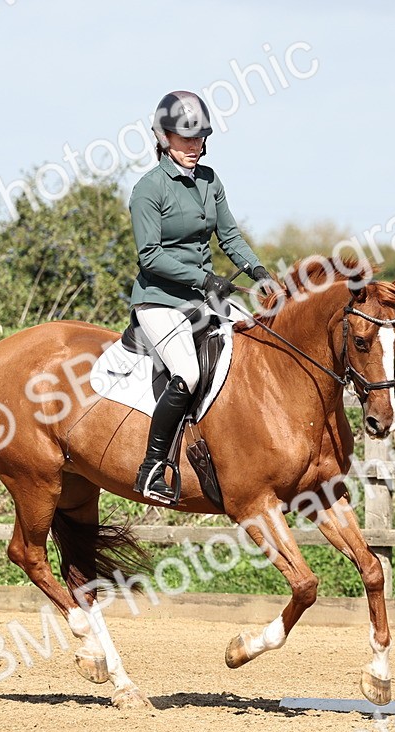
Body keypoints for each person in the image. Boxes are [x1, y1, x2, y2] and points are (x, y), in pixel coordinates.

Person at [128, 89, 271, 503]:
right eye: (185, 138)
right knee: (188, 374)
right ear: (164, 138)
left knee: (256, 343)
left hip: (203, 296)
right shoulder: (148, 190)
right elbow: (150, 255)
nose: (195, 146)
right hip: (159, 299)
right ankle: (151, 469)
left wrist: (258, 271)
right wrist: (202, 279)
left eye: (200, 138)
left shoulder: (210, 180)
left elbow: (228, 235)